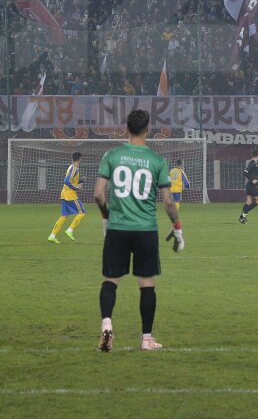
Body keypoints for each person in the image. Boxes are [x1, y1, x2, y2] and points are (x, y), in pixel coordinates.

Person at [94, 109, 183, 352]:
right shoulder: (157, 161)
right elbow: (168, 201)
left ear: (126, 128)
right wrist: (177, 227)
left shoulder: (112, 155)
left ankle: (106, 324)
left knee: (111, 279)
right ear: (148, 129)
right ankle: (146, 339)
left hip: (118, 228)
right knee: (147, 283)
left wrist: (105, 216)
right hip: (145, 229)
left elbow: (99, 194)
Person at [49, 151, 85, 243]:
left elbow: (71, 180)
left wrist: (80, 181)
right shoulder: (74, 168)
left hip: (64, 194)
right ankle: (70, 230)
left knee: (64, 216)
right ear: (79, 159)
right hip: (70, 195)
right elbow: (66, 181)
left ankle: (52, 236)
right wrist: (76, 188)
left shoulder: (71, 167)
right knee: (82, 212)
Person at [163, 159, 191, 242]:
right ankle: (175, 213)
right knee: (177, 202)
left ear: (176, 164)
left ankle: (172, 212)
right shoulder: (181, 172)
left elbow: (168, 178)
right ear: (181, 164)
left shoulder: (171, 171)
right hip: (178, 190)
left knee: (172, 202)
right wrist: (188, 186)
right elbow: (186, 182)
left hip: (171, 189)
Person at [238, 149, 258, 224]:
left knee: (249, 201)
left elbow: (253, 173)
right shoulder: (252, 163)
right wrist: (252, 180)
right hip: (251, 185)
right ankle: (243, 215)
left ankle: (242, 217)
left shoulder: (254, 163)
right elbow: (245, 173)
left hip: (249, 185)